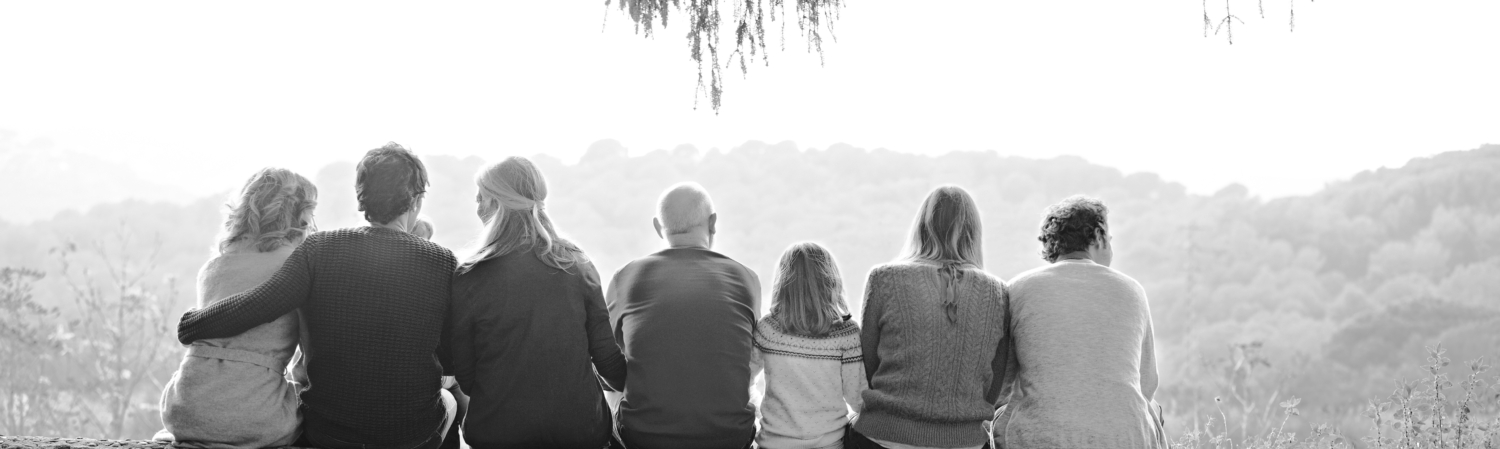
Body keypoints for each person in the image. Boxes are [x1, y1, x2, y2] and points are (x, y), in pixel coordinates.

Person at [176, 142, 459, 449]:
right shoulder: (442, 262)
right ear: (417, 200)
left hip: (328, 432)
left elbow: (257, 306)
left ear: (361, 197)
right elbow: (452, 359)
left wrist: (192, 324)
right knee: (448, 400)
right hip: (407, 436)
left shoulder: (318, 249)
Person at [448, 156, 626, 448]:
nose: (477, 206)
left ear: (497, 204)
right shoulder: (577, 264)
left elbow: (467, 378)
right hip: (579, 432)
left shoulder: (469, 275)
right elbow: (607, 360)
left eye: (481, 198)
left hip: (497, 434)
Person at [157, 168, 317, 448]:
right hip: (255, 417)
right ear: (301, 216)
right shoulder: (297, 267)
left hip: (183, 408)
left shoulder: (211, 268)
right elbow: (309, 356)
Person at [992, 195, 1165, 449]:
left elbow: (1001, 385)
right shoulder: (1132, 290)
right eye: (1110, 240)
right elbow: (1147, 384)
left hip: (1037, 439)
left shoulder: (1018, 288)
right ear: (1097, 235)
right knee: (1151, 408)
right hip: (1124, 439)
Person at [849, 185, 1008, 449]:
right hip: (964, 441)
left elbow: (868, 361)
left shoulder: (884, 278)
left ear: (921, 226)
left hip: (885, 436)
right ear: (974, 232)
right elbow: (995, 382)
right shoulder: (998, 292)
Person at [606, 182, 761, 449]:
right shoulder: (746, 279)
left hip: (644, 438)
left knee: (617, 372)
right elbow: (748, 357)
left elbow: (605, 357)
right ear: (712, 222)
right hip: (729, 438)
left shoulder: (626, 278)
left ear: (658, 227)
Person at [752, 242, 866, 449]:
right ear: (831, 280)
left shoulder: (767, 328)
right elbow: (858, 399)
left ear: (783, 283)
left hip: (774, 442)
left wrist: (760, 412)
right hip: (830, 442)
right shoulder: (847, 333)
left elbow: (743, 381)